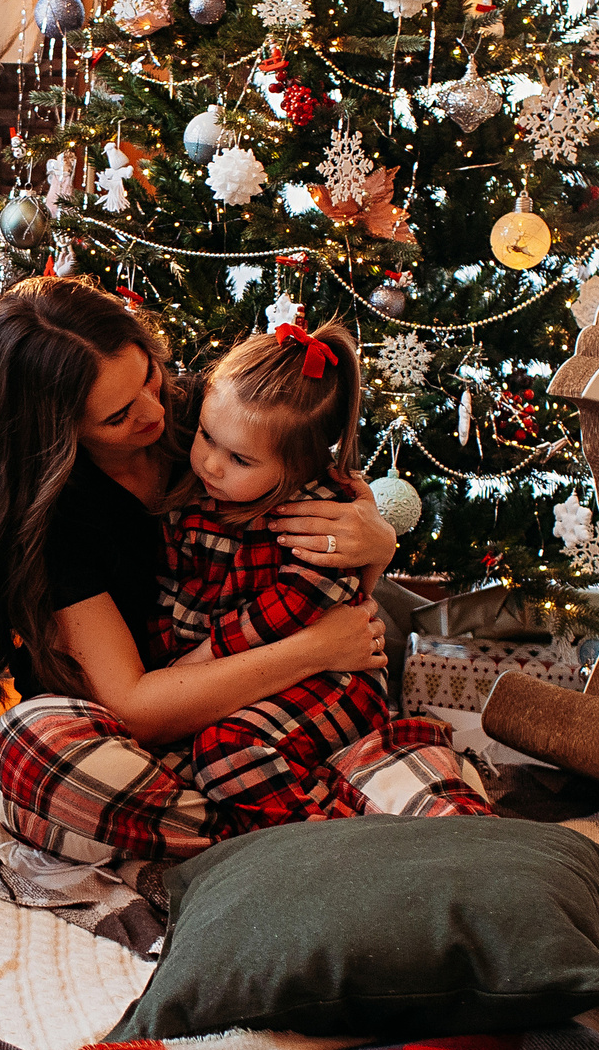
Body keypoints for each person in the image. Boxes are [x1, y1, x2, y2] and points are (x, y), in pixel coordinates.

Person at [0, 278, 440, 864]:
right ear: (55, 432)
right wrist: (315, 649)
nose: (157, 412)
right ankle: (287, 837)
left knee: (374, 762)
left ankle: (271, 829)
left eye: (150, 375)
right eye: (118, 415)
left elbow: (338, 551)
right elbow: (133, 709)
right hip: (154, 736)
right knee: (27, 748)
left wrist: (376, 541)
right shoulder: (51, 518)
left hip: (280, 712)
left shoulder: (210, 418)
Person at [153, 318, 484, 832]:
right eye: (206, 436)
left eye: (240, 458)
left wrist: (201, 659)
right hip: (241, 680)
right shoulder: (198, 495)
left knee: (224, 749)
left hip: (332, 677)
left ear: (301, 466)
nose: (211, 465)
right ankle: (319, 797)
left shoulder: (318, 513)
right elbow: (172, 590)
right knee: (180, 761)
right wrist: (169, 667)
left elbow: (292, 606)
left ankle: (321, 843)